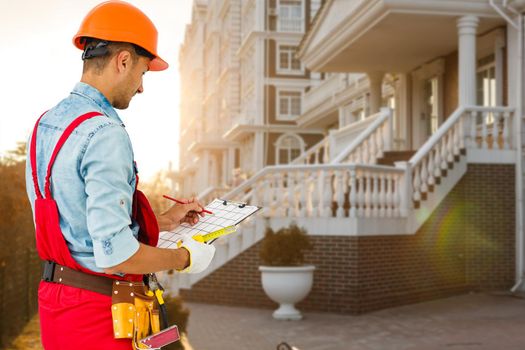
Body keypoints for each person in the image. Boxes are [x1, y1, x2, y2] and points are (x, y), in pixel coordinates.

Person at [24, 1, 215, 349]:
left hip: (58, 305)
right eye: (142, 72)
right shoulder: (105, 133)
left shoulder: (45, 124)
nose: (141, 87)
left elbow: (78, 226)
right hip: (100, 317)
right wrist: (185, 258)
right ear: (123, 60)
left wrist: (164, 221)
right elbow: (116, 254)